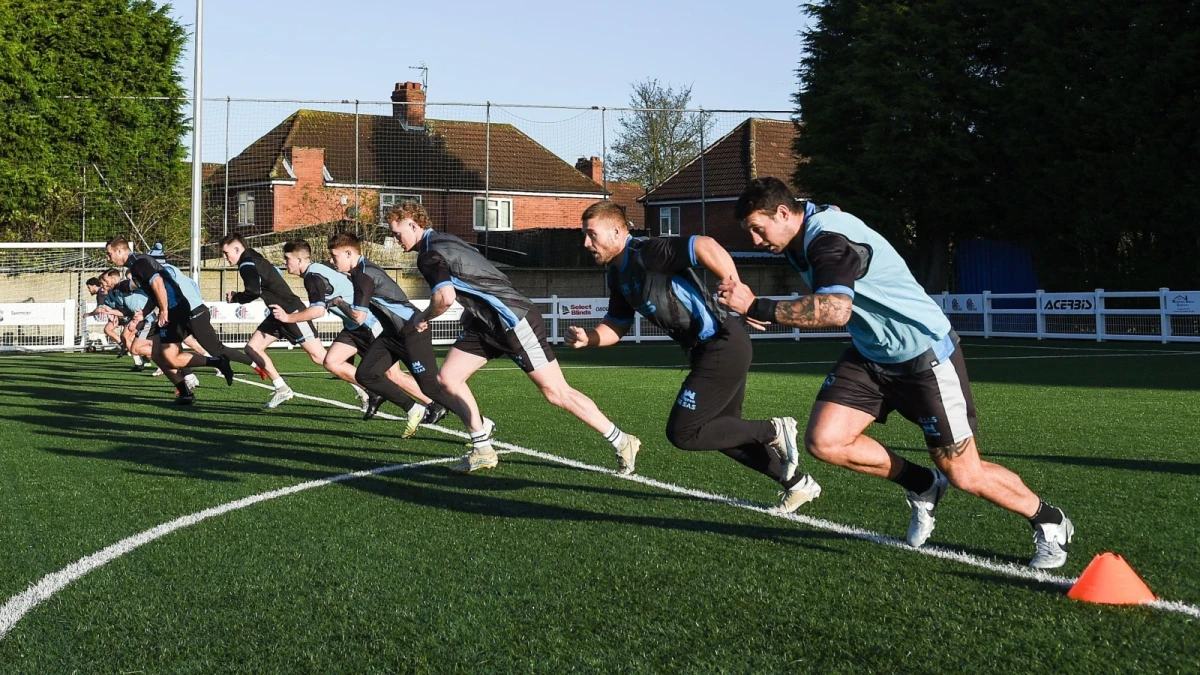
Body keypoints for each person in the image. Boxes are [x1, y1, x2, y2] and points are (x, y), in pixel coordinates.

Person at [717, 177, 1073, 568]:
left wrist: (758, 306)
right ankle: (922, 484)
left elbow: (836, 310)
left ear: (784, 213)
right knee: (826, 441)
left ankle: (1050, 520)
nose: (755, 240)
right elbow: (830, 211)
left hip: (924, 357)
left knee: (963, 472)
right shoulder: (804, 227)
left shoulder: (828, 241)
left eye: (758, 228)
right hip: (871, 355)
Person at [569, 201, 821, 512]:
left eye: (591, 234)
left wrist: (738, 291)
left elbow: (705, 245)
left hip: (722, 344)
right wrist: (589, 338)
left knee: (684, 433)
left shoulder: (648, 252)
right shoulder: (617, 274)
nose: (586, 243)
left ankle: (774, 430)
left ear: (617, 232)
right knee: (724, 433)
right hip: (711, 350)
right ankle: (797, 484)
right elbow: (617, 325)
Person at [387, 200, 640, 474]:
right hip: (486, 324)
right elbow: (479, 276)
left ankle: (622, 441)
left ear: (413, 224)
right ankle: (482, 448)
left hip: (513, 321)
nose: (396, 240)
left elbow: (444, 297)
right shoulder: (447, 240)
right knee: (448, 378)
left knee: (556, 392)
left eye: (397, 233)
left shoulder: (428, 254)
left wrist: (423, 317)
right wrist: (473, 310)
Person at [325, 233, 450, 437]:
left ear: (348, 253)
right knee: (365, 374)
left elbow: (358, 316)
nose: (332, 261)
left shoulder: (364, 274)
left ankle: (480, 423)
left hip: (411, 331)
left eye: (334, 255)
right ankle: (414, 409)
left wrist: (339, 302)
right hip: (391, 334)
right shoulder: (359, 272)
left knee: (431, 387)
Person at [105, 237, 252, 404]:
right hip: (173, 309)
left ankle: (217, 362)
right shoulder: (136, 265)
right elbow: (154, 292)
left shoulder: (139, 263)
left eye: (109, 254)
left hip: (174, 309)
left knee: (171, 358)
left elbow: (158, 283)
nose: (108, 258)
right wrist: (144, 312)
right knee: (158, 355)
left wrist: (164, 310)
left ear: (119, 251)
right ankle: (186, 392)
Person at [220, 234, 360, 410]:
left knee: (321, 357)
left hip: (291, 311)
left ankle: (365, 387)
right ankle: (282, 388)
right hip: (277, 313)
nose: (225, 257)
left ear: (237, 249)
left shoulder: (247, 263)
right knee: (252, 348)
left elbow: (253, 291)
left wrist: (236, 298)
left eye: (226, 253)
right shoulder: (253, 258)